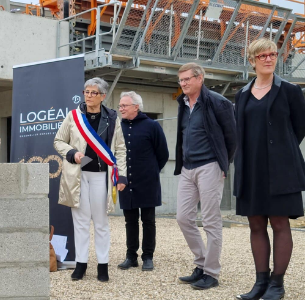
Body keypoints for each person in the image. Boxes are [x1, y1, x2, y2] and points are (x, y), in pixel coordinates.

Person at [234, 38, 305, 300]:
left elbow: (299, 128)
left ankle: (277, 284)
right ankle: (260, 282)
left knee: (279, 223)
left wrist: (279, 151)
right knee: (255, 225)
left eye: (272, 54)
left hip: (281, 169)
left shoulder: (290, 91)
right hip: (250, 168)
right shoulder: (241, 94)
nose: (268, 59)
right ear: (252, 60)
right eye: (262, 55)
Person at [54, 77, 127, 282]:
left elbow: (120, 149)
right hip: (78, 175)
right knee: (81, 222)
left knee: (101, 222)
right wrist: (72, 153)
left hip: (102, 177)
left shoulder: (113, 119)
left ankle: (103, 266)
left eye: (93, 92)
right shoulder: (73, 116)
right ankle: (81, 264)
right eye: (86, 91)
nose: (88, 95)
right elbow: (58, 141)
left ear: (103, 96)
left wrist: (122, 175)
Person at [174, 62, 237, 290]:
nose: (183, 84)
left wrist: (222, 163)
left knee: (211, 221)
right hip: (187, 168)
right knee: (183, 218)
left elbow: (232, 138)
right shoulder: (183, 103)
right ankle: (201, 263)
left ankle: (211, 273)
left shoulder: (218, 103)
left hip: (210, 166)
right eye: (180, 80)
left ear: (200, 78)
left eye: (187, 79)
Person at [116, 91, 168, 272]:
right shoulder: (118, 127)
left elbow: (163, 154)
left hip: (147, 181)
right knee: (130, 220)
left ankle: (148, 256)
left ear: (136, 107)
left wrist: (151, 170)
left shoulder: (152, 126)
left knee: (148, 220)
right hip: (125, 181)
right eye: (120, 106)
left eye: (124, 105)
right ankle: (131, 256)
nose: (120, 108)